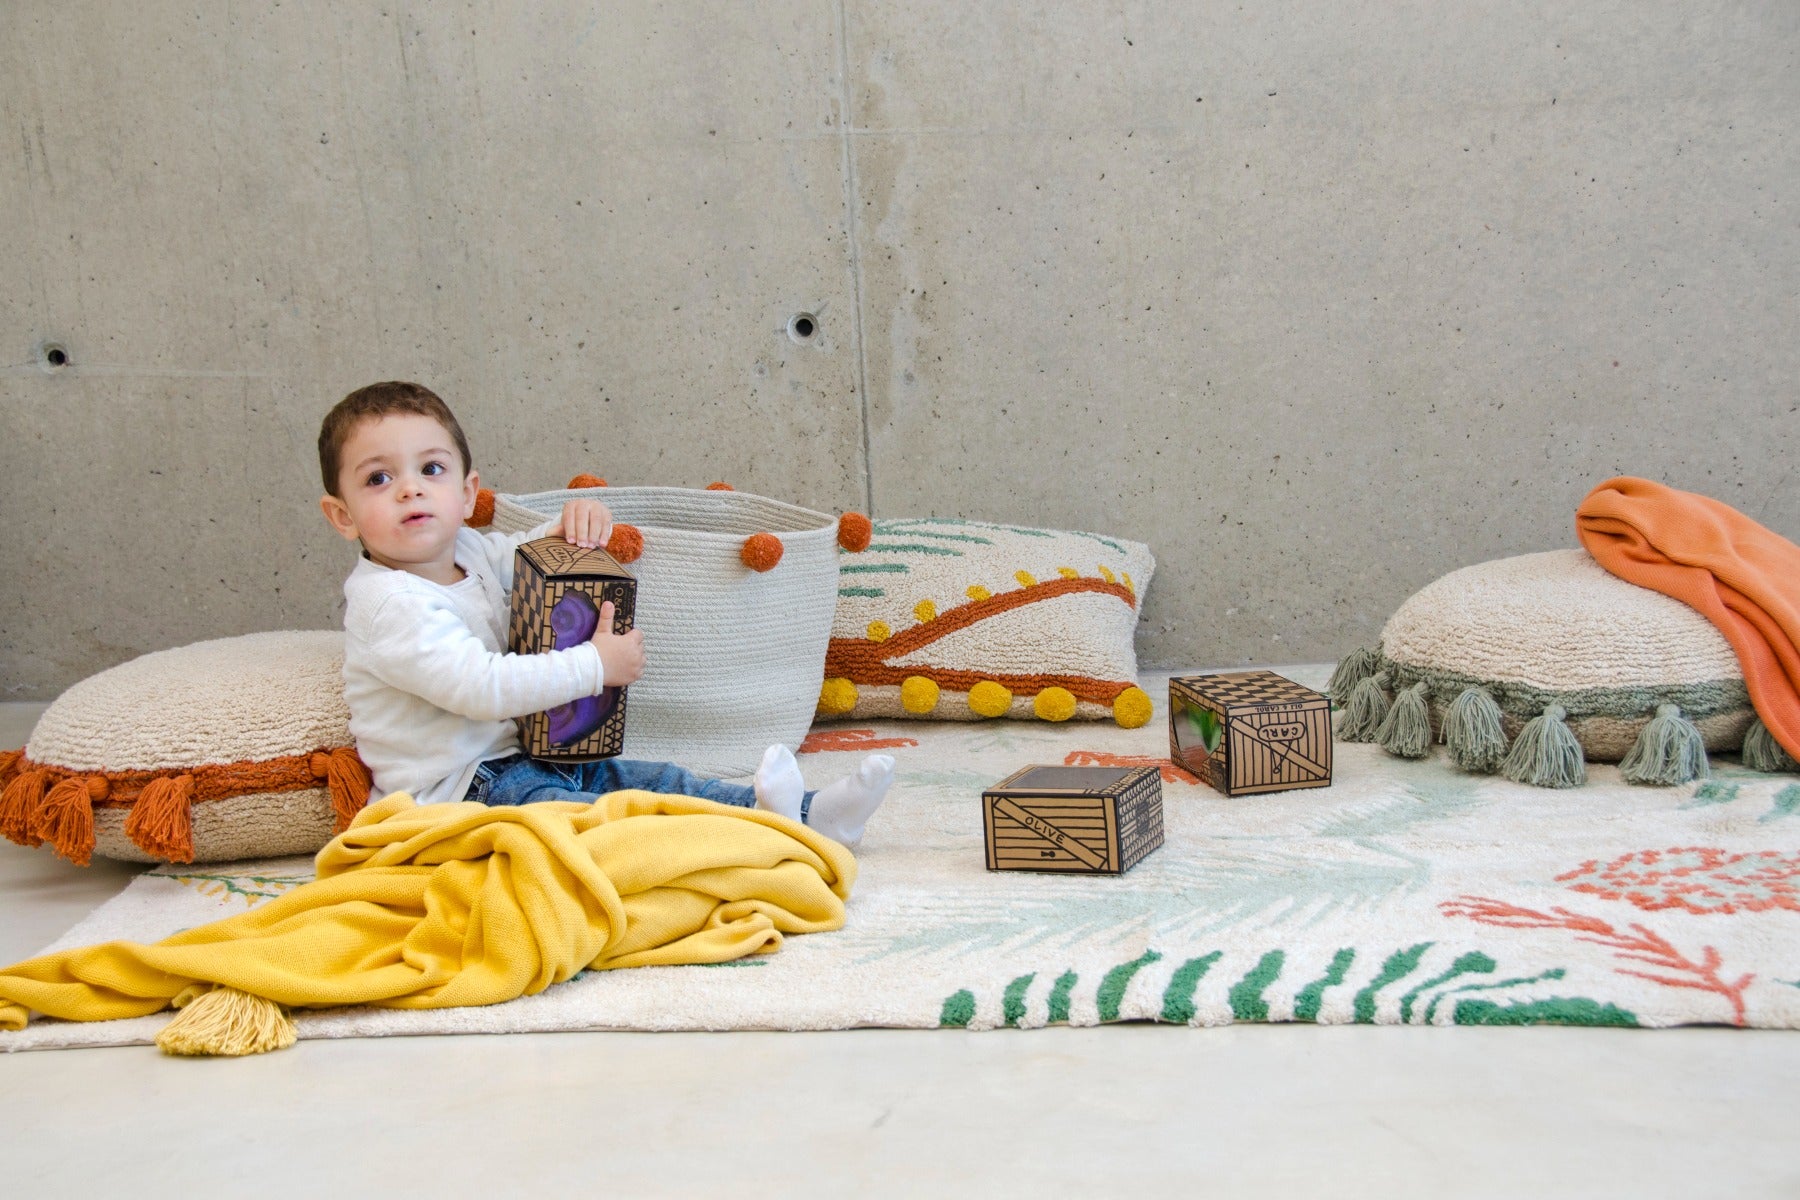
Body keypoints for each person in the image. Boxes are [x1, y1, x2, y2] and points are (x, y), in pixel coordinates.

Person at [316, 380, 893, 846]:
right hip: (455, 799)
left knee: (657, 781)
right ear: (343, 517)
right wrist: (595, 664)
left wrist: (569, 524)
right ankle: (755, 837)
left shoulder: (465, 550)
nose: (410, 490)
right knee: (610, 824)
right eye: (379, 478)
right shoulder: (391, 604)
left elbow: (525, 558)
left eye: (431, 469)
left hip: (523, 759)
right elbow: (481, 688)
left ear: (467, 495)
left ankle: (812, 815)